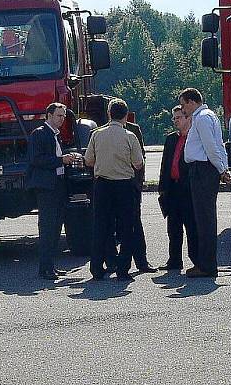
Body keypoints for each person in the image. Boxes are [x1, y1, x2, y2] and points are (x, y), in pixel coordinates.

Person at [85, 98, 145, 282]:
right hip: (124, 185)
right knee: (127, 227)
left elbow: (88, 160)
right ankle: (123, 270)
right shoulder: (130, 136)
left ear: (109, 114)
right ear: (126, 116)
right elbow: (138, 163)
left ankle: (96, 268)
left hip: (102, 184)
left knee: (100, 226)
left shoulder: (96, 135)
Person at [25, 103, 83, 280]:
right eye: (59, 116)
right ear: (48, 115)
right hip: (46, 188)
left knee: (56, 228)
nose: (62, 119)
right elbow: (36, 159)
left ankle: (51, 267)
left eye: (64, 116)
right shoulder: (40, 133)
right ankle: (45, 269)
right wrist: (61, 160)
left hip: (57, 185)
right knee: (48, 228)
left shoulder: (55, 135)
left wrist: (68, 157)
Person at [180, 88, 231, 278]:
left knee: (204, 220)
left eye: (184, 104)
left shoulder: (201, 118)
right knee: (205, 218)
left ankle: (207, 266)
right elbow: (219, 144)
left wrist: (221, 169)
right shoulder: (209, 115)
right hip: (206, 169)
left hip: (203, 170)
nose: (183, 108)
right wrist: (223, 168)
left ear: (192, 101)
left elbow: (211, 147)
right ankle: (205, 263)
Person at [157, 106, 197, 270]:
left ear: (188, 118)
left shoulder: (194, 138)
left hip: (187, 188)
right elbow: (165, 164)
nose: (175, 121)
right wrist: (162, 187)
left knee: (191, 227)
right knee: (173, 228)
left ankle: (196, 261)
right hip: (172, 188)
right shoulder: (171, 139)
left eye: (178, 117)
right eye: (174, 118)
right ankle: (174, 260)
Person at [125, 118, 158, 273]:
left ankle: (142, 262)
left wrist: (140, 182)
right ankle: (112, 262)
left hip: (132, 184)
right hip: (111, 186)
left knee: (135, 223)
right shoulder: (99, 131)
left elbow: (141, 157)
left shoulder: (134, 129)